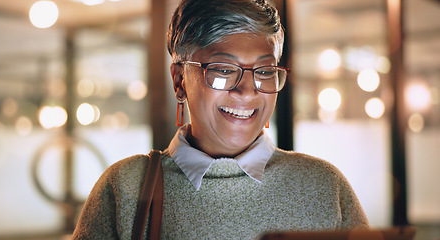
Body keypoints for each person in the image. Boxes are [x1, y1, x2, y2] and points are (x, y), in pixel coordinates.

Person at [72, 0, 369, 239]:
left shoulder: (322, 186)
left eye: (264, 71)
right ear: (179, 81)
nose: (247, 91)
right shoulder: (126, 187)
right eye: (224, 69)